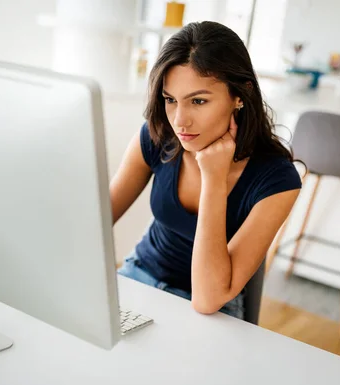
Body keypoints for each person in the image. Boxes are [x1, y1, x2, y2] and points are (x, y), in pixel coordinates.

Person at [109, 21, 302, 320]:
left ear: (240, 95)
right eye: (171, 100)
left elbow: (208, 299)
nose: (180, 121)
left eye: (198, 101)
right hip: (138, 277)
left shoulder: (278, 180)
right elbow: (97, 218)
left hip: (214, 311)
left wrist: (214, 178)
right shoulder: (156, 136)